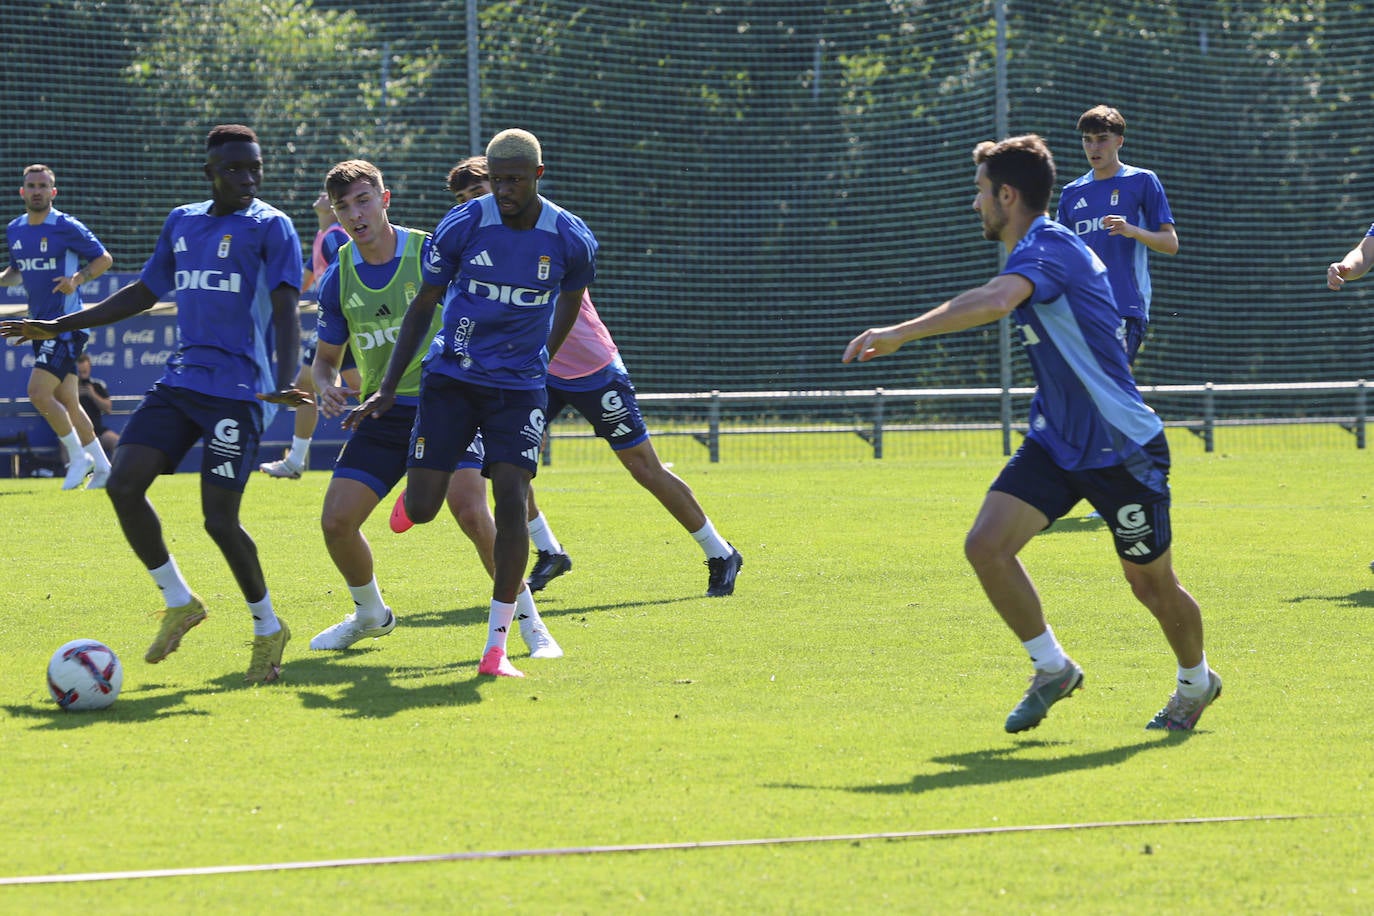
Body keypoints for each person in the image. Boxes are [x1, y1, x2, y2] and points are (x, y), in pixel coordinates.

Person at [842, 133, 1221, 733]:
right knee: (986, 545)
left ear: (1007, 195)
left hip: (1122, 445)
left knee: (1150, 586)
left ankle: (1196, 682)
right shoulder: (1040, 247)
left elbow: (995, 300)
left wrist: (897, 333)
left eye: (980, 193)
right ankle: (1053, 668)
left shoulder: (1049, 248)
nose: (976, 205)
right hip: (1056, 440)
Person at [1, 124, 306, 684]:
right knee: (122, 483)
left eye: (254, 167)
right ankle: (180, 601)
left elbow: (287, 308)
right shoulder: (183, 221)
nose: (247, 177)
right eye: (234, 168)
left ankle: (267, 627)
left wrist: (283, 381)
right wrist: (58, 323)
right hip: (182, 383)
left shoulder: (273, 226)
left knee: (219, 520)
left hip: (239, 394)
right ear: (209, 171)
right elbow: (144, 292)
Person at [438, 155, 742, 597]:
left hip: (590, 368)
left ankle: (719, 552)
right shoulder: (473, 244)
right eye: (463, 198)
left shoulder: (546, 230)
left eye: (480, 191)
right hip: (533, 374)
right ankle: (550, 552)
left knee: (643, 467)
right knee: (509, 468)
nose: (474, 203)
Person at [348, 128, 591, 678]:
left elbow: (571, 303)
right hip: (452, 380)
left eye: (514, 180)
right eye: (497, 179)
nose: (503, 190)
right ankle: (414, 497)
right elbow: (423, 304)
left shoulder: (571, 238)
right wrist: (387, 388)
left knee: (510, 496)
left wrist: (540, 358)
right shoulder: (462, 225)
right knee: (429, 506)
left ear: (537, 177)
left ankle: (497, 647)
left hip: (519, 389)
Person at [305, 158, 560, 661]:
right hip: (383, 412)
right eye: (343, 206)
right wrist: (327, 386)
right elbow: (326, 361)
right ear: (334, 215)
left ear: (385, 199)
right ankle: (370, 615)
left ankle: (531, 628)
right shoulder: (338, 278)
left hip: (453, 400)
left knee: (472, 512)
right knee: (336, 522)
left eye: (363, 200)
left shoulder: (434, 249)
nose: (355, 214)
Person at [0, 164, 115, 490]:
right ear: (22, 192)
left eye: (43, 185)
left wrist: (77, 279)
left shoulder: (66, 226)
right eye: (31, 185)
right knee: (68, 399)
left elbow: (104, 259)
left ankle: (79, 457)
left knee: (37, 392)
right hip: (38, 327)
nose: (37, 190)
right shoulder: (15, 229)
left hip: (66, 325)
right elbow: (16, 272)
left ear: (54, 192)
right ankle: (103, 467)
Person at [1055, 105, 1178, 367]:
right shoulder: (1071, 193)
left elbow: (1170, 243)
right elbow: (1062, 254)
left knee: (1108, 388)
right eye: (1087, 140)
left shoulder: (1142, 181)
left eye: (1102, 139)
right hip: (1081, 311)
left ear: (1119, 141)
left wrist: (1132, 230)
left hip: (1124, 307)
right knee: (1085, 396)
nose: (1093, 148)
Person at [259, 190, 355, 478]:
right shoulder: (322, 237)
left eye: (330, 194)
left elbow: (349, 271)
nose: (323, 195)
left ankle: (295, 460)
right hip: (344, 321)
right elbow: (297, 284)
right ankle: (296, 460)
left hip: (343, 321)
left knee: (305, 383)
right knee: (365, 388)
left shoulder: (335, 236)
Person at [75, 352, 120, 457]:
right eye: (79, 372)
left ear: (89, 369)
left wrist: (92, 394)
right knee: (64, 442)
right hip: (76, 433)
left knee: (116, 441)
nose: (82, 375)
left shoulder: (97, 386)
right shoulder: (68, 387)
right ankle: (72, 472)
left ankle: (116, 472)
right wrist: (74, 395)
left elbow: (108, 409)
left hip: (96, 431)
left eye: (84, 372)